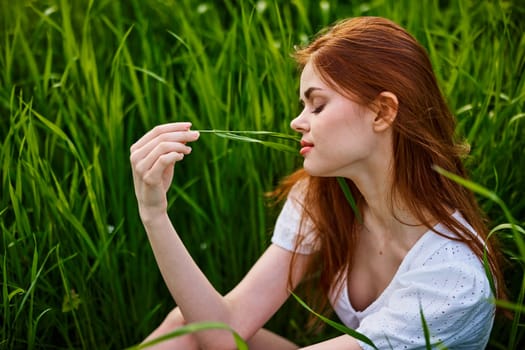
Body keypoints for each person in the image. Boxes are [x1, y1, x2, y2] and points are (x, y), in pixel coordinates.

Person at [130, 16, 505, 349]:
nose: (297, 122)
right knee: (185, 326)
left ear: (382, 111)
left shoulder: (453, 279)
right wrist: (154, 213)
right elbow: (222, 329)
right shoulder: (323, 197)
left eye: (317, 105)